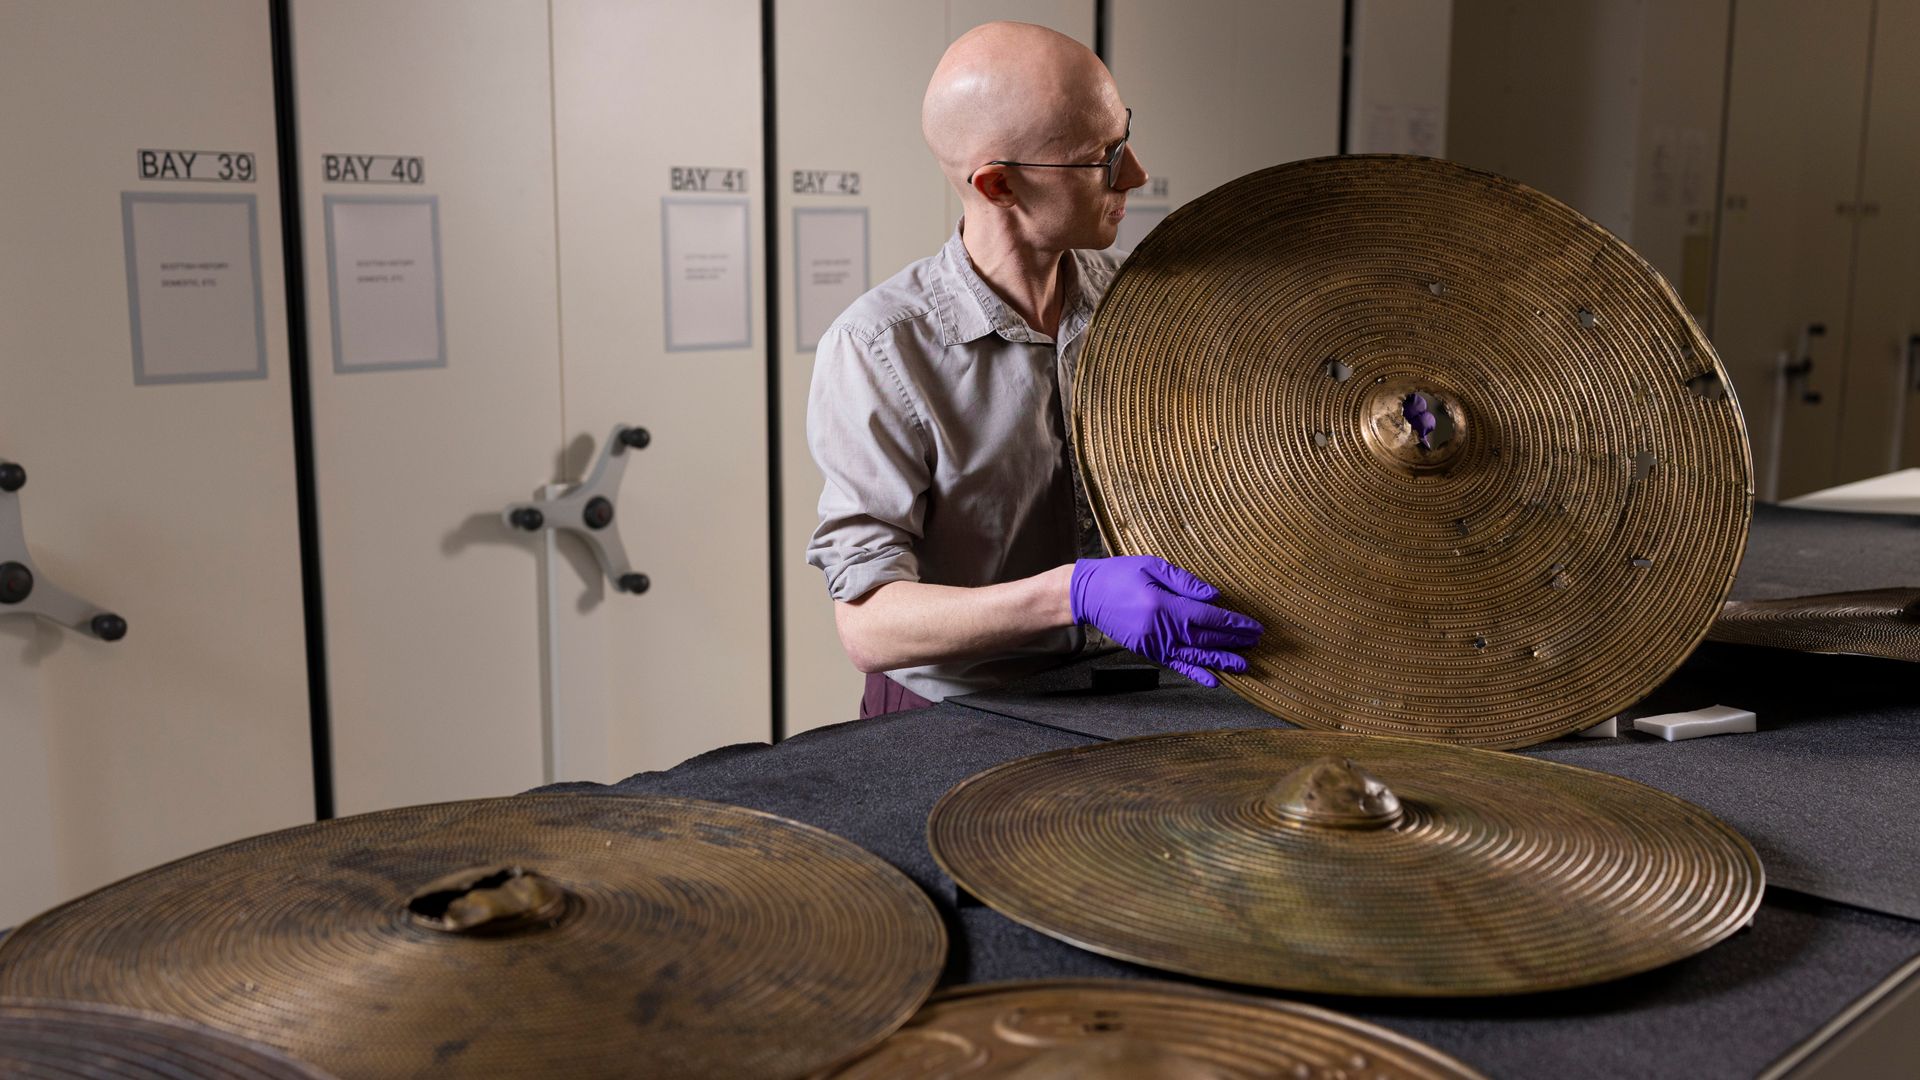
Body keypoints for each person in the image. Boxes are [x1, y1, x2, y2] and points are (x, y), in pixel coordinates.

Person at [806, 21, 1262, 718]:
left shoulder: (1145, 310)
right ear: (998, 185)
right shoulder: (880, 349)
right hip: (962, 715)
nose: (1135, 175)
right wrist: (1072, 594)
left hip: (1143, 698)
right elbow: (869, 625)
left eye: (1125, 139)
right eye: (1103, 159)